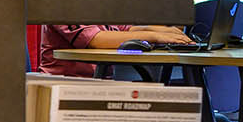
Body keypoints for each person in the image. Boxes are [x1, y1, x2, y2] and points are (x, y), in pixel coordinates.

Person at [35, 23, 195, 77]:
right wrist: (154, 36)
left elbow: (121, 29)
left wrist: (162, 31)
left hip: (97, 81)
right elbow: (96, 40)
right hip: (66, 86)